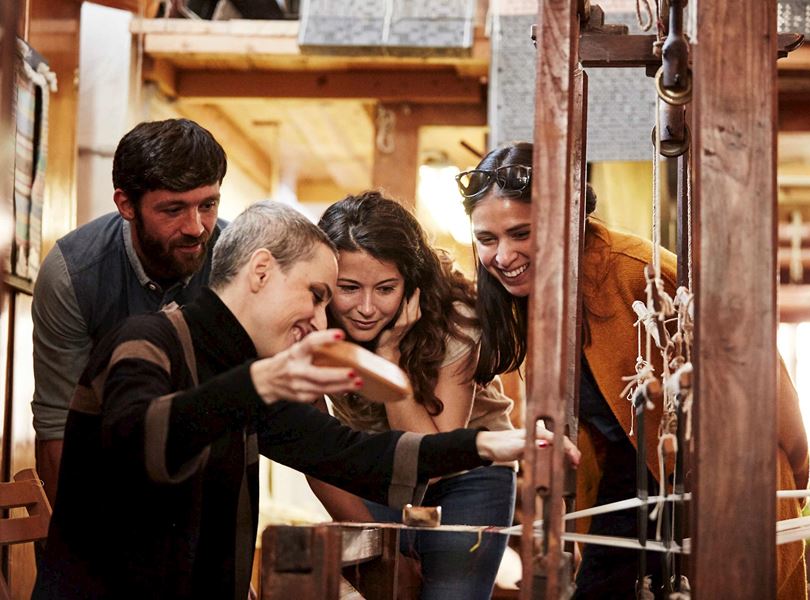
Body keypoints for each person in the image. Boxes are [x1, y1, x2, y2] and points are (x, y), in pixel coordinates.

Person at [33, 201, 537, 600]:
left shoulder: (249, 373)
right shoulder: (145, 339)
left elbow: (351, 455)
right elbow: (141, 442)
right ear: (260, 272)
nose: (323, 320)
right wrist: (260, 384)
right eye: (318, 294)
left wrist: (490, 447)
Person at [458, 142, 810, 599]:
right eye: (487, 239)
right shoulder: (533, 302)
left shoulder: (636, 272)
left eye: (520, 233)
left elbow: (766, 383)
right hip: (627, 495)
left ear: (566, 221)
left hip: (724, 487)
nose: (503, 256)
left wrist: (789, 487)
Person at [308, 191, 528, 600]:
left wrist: (390, 360)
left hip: (467, 475)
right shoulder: (306, 321)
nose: (367, 308)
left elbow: (433, 460)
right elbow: (313, 453)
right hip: (372, 470)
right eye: (349, 288)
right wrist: (381, 550)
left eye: (386, 288)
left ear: (411, 282)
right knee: (384, 590)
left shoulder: (458, 318)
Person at [31, 118, 228, 506]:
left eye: (208, 205)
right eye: (173, 209)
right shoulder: (73, 274)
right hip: (102, 478)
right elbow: (58, 430)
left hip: (211, 478)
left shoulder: (237, 261)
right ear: (126, 204)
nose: (196, 227)